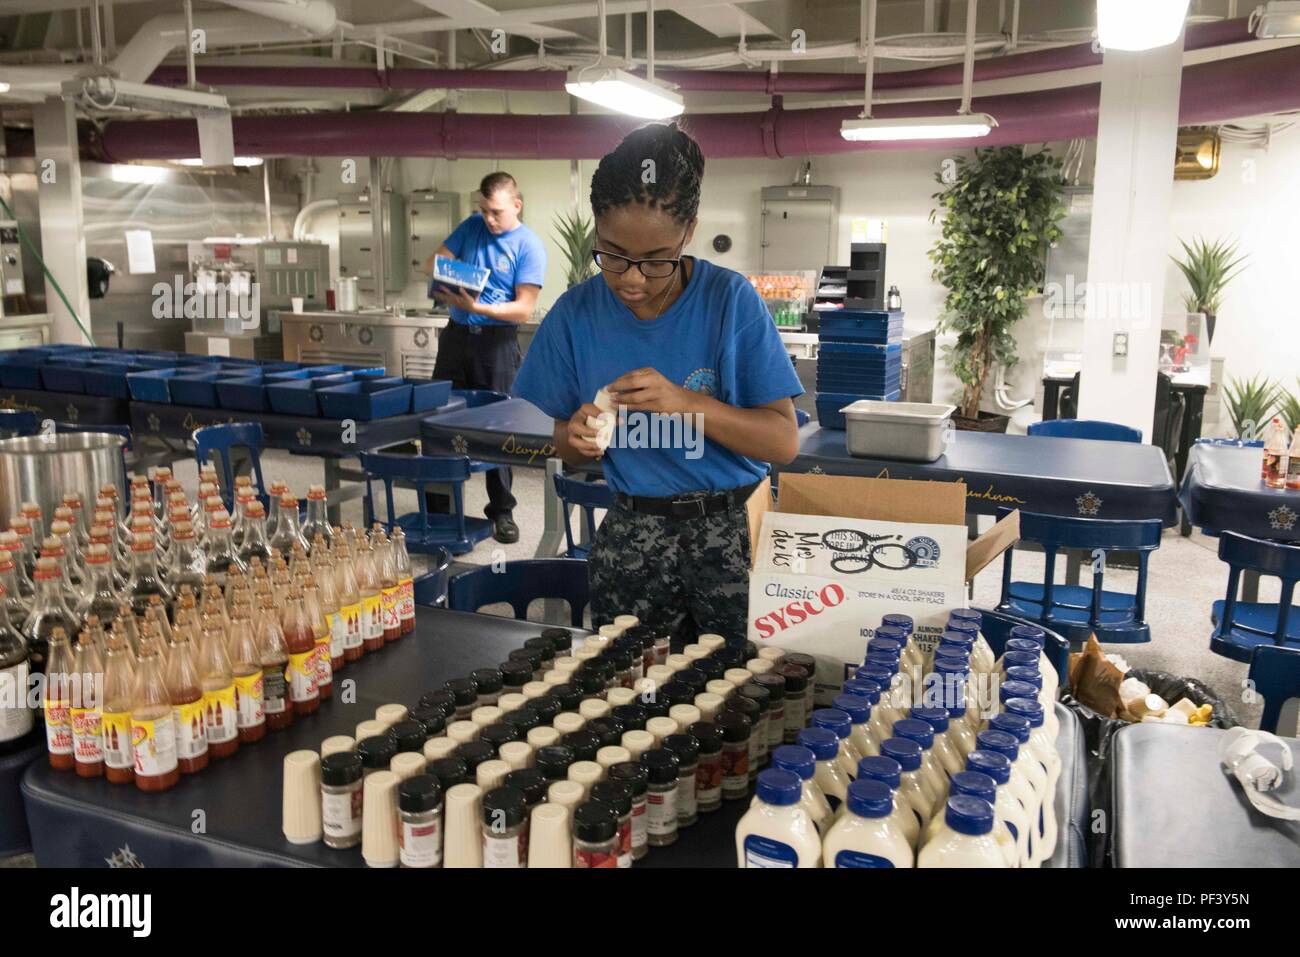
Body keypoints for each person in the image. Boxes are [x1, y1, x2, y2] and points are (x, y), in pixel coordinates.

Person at [513, 123, 802, 645]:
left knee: (744, 694)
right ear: (595, 230)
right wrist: (576, 438)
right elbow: (565, 445)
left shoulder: (728, 302)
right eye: (614, 254)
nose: (632, 279)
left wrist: (688, 403)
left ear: (688, 232)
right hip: (633, 536)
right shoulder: (575, 315)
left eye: (655, 260)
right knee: (630, 695)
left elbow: (782, 442)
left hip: (733, 532)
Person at [425, 171, 546, 544]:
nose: (488, 219)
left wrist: (479, 305)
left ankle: (502, 512)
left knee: (499, 427)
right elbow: (438, 259)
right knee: (438, 419)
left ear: (516, 205)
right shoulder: (472, 225)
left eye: (495, 212)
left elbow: (524, 310)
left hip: (496, 344)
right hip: (456, 337)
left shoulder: (529, 246)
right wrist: (451, 281)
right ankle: (438, 510)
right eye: (483, 210)